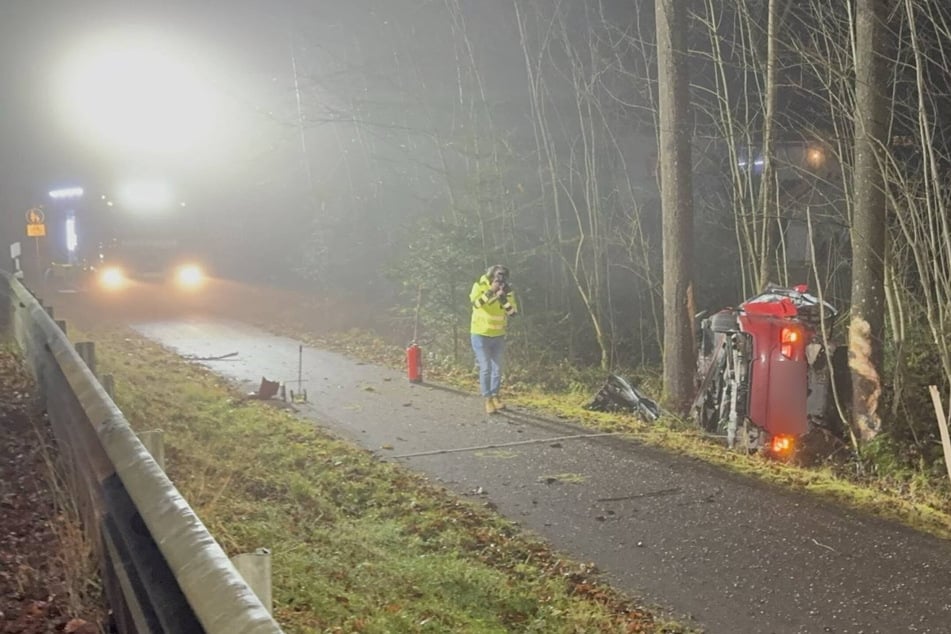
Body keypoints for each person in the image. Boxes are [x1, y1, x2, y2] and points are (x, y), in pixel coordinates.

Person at [470, 264, 518, 414]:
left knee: (498, 369)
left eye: (503, 276)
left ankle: (496, 396)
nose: (500, 279)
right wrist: (491, 291)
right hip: (480, 334)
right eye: (497, 276)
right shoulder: (479, 285)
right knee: (486, 368)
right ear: (491, 276)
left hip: (498, 335)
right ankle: (488, 399)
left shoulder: (508, 291)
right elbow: (476, 304)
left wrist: (503, 298)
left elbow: (513, 313)